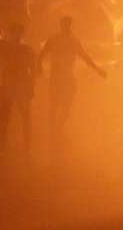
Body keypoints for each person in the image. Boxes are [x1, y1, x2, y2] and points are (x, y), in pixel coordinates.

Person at [40, 16, 107, 155]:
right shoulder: (54, 40)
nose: (67, 27)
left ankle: (56, 130)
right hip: (57, 78)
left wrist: (97, 69)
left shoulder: (73, 41)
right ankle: (53, 133)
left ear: (71, 26)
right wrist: (38, 69)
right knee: (55, 105)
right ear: (61, 25)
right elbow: (42, 55)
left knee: (66, 105)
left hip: (67, 78)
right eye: (65, 25)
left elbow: (85, 56)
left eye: (69, 25)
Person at [0, 23, 38, 156]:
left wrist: (31, 86)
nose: (15, 36)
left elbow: (33, 70)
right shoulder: (6, 49)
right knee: (5, 118)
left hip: (20, 86)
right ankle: (2, 147)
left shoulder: (26, 50)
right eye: (13, 33)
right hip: (10, 86)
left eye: (17, 33)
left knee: (24, 117)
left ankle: (26, 147)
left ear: (21, 35)